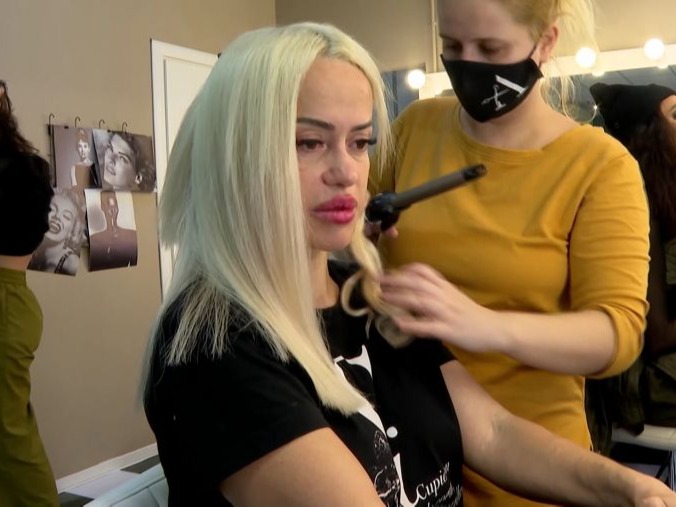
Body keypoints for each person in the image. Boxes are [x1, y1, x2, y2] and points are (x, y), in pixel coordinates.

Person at [142, 22, 674, 507]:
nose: (348, 172)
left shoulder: (369, 301)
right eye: (309, 142)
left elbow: (492, 433)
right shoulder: (216, 345)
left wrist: (633, 488)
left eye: (360, 142)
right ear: (237, 153)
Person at [368, 1, 650, 505]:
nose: (468, 64)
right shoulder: (415, 127)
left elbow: (618, 332)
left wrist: (487, 325)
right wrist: (359, 237)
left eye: (491, 48)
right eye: (452, 46)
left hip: (534, 469)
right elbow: (355, 237)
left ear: (546, 42)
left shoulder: (599, 166)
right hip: (416, 464)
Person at [585, 83, 676, 443]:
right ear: (649, 134)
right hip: (650, 384)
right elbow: (657, 335)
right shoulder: (638, 208)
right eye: (675, 115)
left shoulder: (668, 199)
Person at [0, 95, 59, 505]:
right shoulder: (23, 168)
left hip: (9, 297)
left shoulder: (20, 171)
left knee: (8, 430)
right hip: (15, 296)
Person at [28, 188, 84, 276]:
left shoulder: (72, 265)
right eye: (52, 209)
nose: (57, 217)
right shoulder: (31, 250)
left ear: (72, 231)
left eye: (66, 216)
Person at [88, 190, 137, 271]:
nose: (113, 209)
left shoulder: (131, 235)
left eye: (115, 203)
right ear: (102, 207)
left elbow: (133, 266)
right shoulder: (94, 239)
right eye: (108, 204)